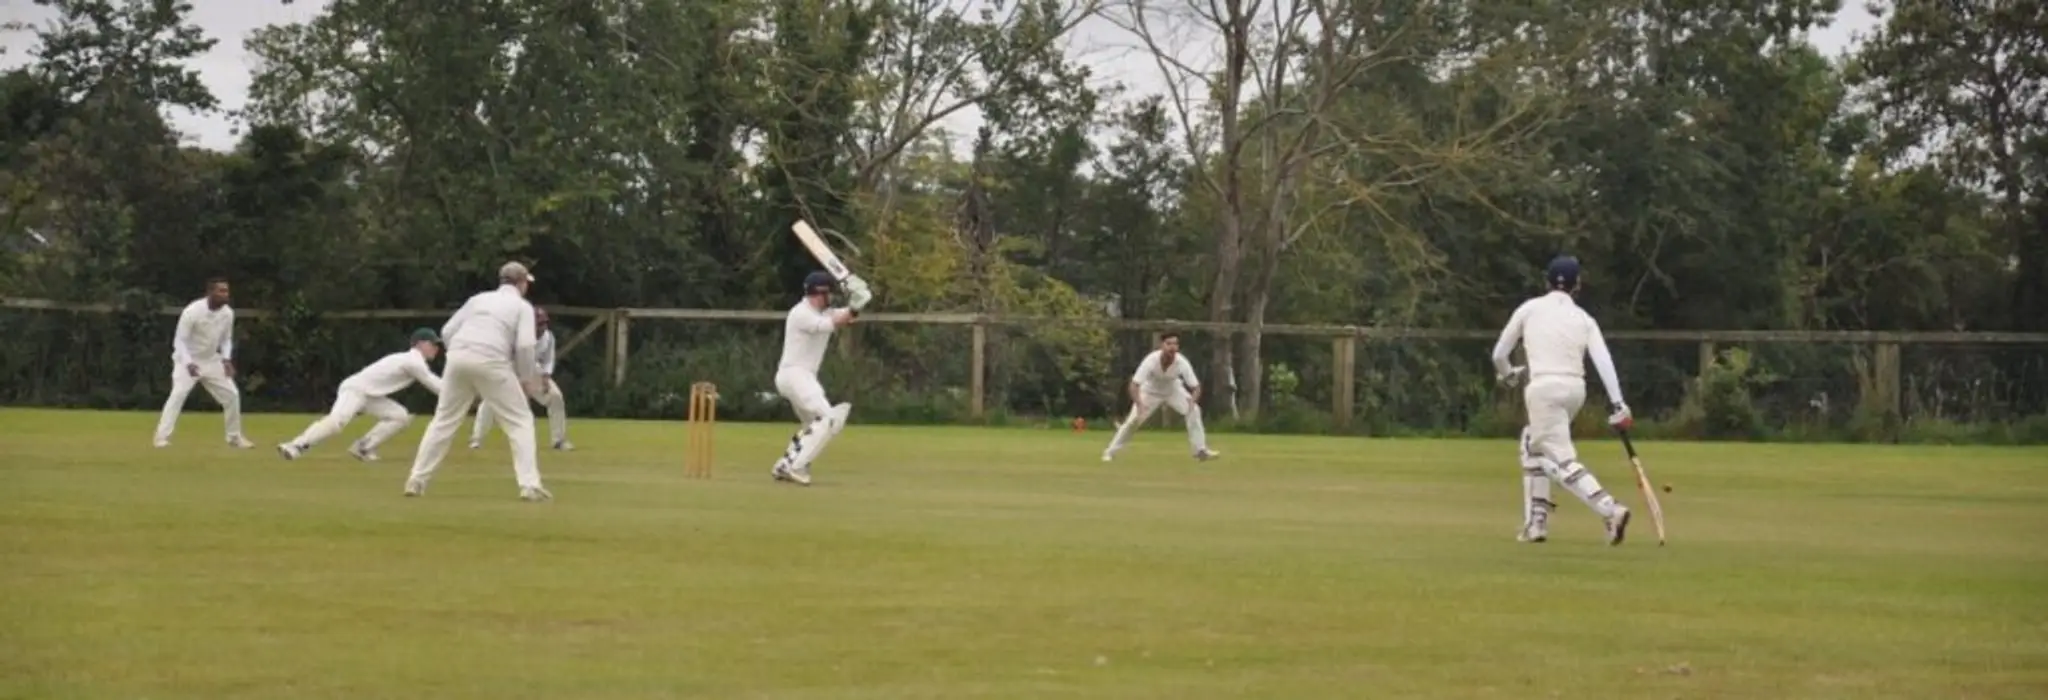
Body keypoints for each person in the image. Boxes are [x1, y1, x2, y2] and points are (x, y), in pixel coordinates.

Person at [1490, 254, 1634, 545]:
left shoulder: (1530, 308)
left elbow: (1499, 355)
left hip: (1543, 389)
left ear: (1546, 281)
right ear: (1577, 285)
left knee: (1556, 456)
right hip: (1574, 390)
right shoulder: (1584, 318)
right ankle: (1536, 524)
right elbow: (1603, 360)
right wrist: (1618, 404)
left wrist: (1508, 375)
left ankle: (1609, 509)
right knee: (1532, 444)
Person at [403, 262, 552, 501]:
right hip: (492, 359)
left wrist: (459, 355)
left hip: (458, 357)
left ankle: (416, 480)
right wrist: (525, 379)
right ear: (521, 283)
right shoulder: (522, 307)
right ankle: (529, 485)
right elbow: (526, 345)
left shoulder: (478, 299)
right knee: (521, 421)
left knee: (443, 420)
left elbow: (447, 330)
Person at [276, 328, 445, 462]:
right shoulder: (413, 361)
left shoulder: (413, 361)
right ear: (420, 344)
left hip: (370, 395)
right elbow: (434, 384)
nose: (436, 349)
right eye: (433, 344)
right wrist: (463, 395)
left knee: (399, 416)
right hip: (356, 389)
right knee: (337, 422)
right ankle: (295, 445)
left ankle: (363, 447)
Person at [768, 270, 869, 486]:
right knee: (827, 419)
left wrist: (860, 301)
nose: (832, 298)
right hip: (795, 374)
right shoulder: (801, 313)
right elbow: (832, 324)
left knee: (814, 425)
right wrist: (854, 307)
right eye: (829, 294)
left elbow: (846, 316)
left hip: (801, 376)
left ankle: (785, 463)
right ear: (819, 293)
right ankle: (796, 468)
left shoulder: (823, 312)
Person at [153, 277, 254, 449]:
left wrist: (226, 359)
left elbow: (226, 340)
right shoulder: (192, 311)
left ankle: (234, 437)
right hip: (187, 360)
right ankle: (161, 437)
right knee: (178, 394)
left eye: (227, 291)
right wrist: (188, 363)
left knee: (232, 395)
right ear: (210, 293)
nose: (225, 295)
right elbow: (179, 341)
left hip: (211, 360)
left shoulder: (227, 313)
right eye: (221, 291)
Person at [1101, 332, 1220, 462]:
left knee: (1195, 411)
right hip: (1150, 392)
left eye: (1175, 344)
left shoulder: (1181, 362)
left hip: (1173, 390)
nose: (1172, 347)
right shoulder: (1151, 360)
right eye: (1169, 344)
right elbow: (1134, 385)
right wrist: (1139, 404)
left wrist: (1192, 402)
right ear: (1161, 345)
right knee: (1133, 421)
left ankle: (1200, 451)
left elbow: (1196, 387)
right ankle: (1110, 451)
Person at [470, 306, 572, 451]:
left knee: (555, 397)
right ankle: (476, 440)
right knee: (491, 401)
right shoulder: (516, 335)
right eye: (539, 324)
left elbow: (549, 359)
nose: (542, 327)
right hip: (509, 369)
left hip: (532, 369)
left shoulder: (548, 337)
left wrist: (546, 376)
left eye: (544, 323)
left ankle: (558, 440)